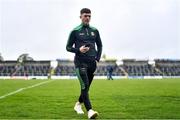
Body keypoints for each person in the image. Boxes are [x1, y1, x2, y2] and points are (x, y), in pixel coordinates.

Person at [66, 8, 102, 119]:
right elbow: (68, 47)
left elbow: (100, 45)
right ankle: (90, 111)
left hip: (92, 63)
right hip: (80, 63)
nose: (87, 18)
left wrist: (97, 59)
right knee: (84, 85)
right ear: (80, 17)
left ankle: (78, 105)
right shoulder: (75, 31)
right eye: (85, 15)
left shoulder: (95, 30)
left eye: (89, 16)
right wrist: (78, 50)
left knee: (86, 88)